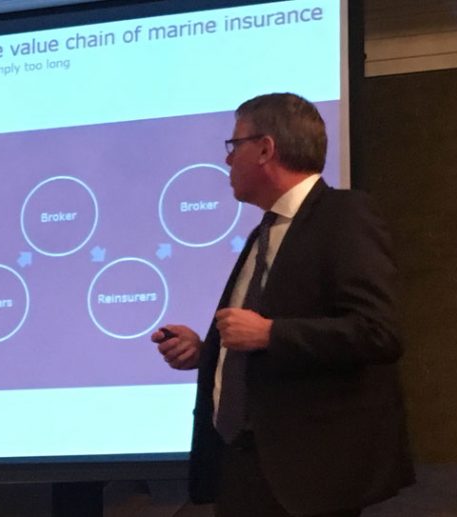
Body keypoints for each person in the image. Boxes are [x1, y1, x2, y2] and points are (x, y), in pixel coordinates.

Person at [152, 93, 414, 517]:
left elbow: (378, 332)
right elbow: (262, 345)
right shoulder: (265, 232)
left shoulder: (343, 215)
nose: (227, 160)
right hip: (243, 465)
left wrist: (270, 333)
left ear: (265, 149)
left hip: (306, 476)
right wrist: (206, 353)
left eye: (234, 145)